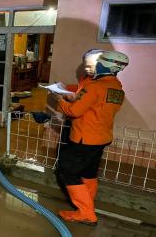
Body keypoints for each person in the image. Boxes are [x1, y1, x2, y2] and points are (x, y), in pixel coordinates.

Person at [52, 50, 129, 225]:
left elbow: (74, 111)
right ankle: (87, 206)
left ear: (104, 65)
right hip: (101, 137)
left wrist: (59, 99)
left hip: (84, 138)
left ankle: (86, 212)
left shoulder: (94, 86)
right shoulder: (117, 88)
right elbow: (98, 107)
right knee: (88, 172)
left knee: (67, 171)